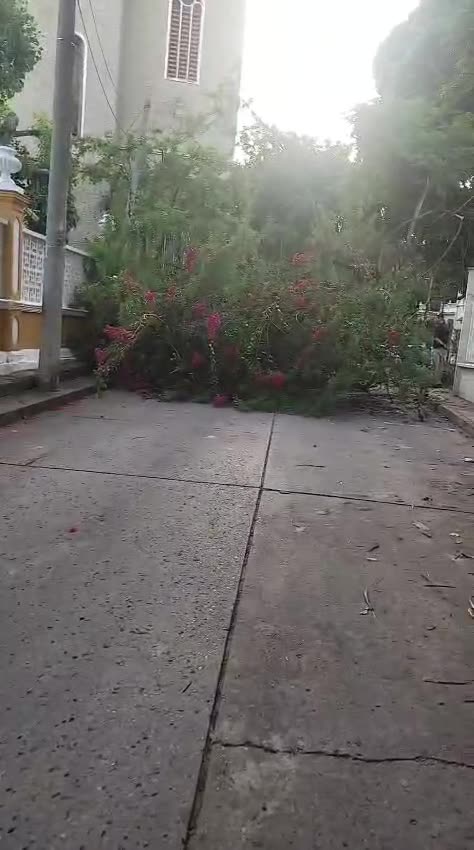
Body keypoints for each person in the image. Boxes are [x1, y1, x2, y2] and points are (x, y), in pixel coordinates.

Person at [432, 314, 450, 383]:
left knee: (437, 366)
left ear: (440, 318)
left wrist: (443, 344)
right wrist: (446, 346)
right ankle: (438, 381)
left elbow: (436, 338)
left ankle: (436, 381)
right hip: (443, 349)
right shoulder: (446, 327)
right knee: (441, 366)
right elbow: (448, 338)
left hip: (438, 348)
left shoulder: (438, 327)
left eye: (438, 318)